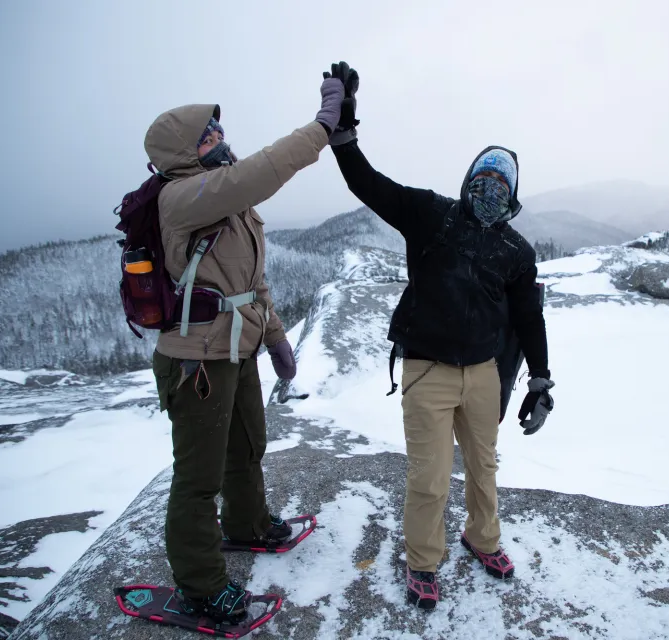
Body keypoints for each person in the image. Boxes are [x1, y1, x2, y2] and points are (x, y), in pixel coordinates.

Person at [323, 62, 554, 610]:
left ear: (514, 194)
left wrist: (539, 380)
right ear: (469, 179)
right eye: (485, 177)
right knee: (429, 477)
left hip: (482, 375)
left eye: (502, 182)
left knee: (483, 466)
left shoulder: (517, 252)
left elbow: (529, 318)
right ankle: (424, 560)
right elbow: (367, 183)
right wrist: (345, 132)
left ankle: (482, 538)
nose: (491, 187)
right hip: (426, 369)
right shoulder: (431, 214)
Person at [143, 75, 344, 623]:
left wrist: (275, 336)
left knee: (247, 446)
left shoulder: (225, 200)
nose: (221, 137)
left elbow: (252, 281)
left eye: (219, 129)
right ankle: (201, 587)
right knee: (198, 478)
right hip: (196, 360)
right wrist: (323, 125)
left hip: (236, 348)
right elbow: (264, 171)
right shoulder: (183, 196)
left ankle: (248, 524)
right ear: (185, 152)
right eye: (208, 135)